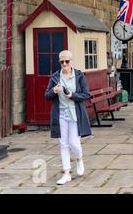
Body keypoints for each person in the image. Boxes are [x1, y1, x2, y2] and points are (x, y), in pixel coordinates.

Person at [45, 50, 92, 185]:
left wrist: (73, 95)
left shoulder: (79, 76)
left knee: (74, 143)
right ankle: (66, 173)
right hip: (60, 115)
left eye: (67, 61)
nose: (64, 64)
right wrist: (54, 91)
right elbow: (47, 96)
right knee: (63, 144)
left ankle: (79, 159)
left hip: (75, 114)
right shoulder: (55, 77)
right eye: (62, 61)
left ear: (71, 61)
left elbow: (86, 94)